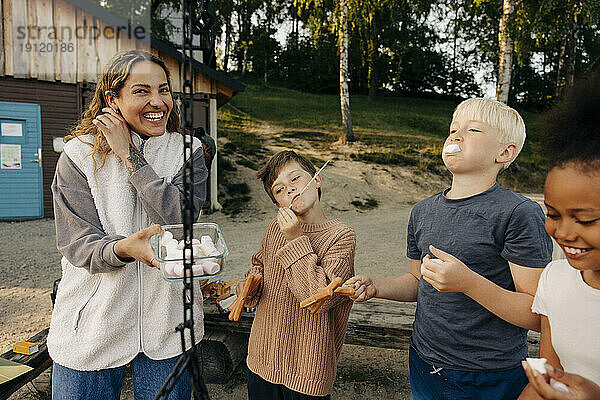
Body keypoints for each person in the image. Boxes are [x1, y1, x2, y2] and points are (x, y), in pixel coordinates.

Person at [347, 98, 553, 399]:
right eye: (453, 128)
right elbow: (419, 282)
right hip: (424, 361)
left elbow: (537, 313)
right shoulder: (422, 211)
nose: (456, 136)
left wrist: (468, 283)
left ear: (505, 152)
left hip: (488, 374)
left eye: (473, 130)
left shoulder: (519, 213)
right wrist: (377, 286)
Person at [47, 50, 208, 400]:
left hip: (168, 324)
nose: (157, 101)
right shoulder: (78, 155)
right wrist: (122, 248)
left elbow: (179, 221)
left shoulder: (188, 151)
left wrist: (131, 157)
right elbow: (77, 244)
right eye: (141, 91)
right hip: (93, 326)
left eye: (163, 90)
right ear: (112, 99)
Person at [235, 150, 356, 399]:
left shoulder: (341, 236)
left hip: (307, 369)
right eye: (279, 190)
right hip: (262, 357)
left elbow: (317, 298)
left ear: (317, 179)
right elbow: (260, 265)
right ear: (278, 204)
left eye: (295, 179)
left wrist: (294, 238)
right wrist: (249, 286)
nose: (289, 190)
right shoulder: (274, 228)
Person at [518, 73, 600, 400]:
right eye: (553, 214)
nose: (562, 233)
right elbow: (548, 379)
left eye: (585, 219)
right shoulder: (556, 278)